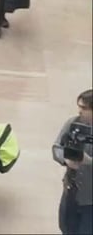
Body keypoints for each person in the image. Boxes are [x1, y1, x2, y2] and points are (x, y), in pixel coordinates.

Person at [52, 89, 93, 235]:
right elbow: (57, 147)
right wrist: (66, 159)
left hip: (90, 199)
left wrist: (88, 161)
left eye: (84, 108)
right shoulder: (73, 123)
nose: (80, 111)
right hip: (71, 191)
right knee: (67, 227)